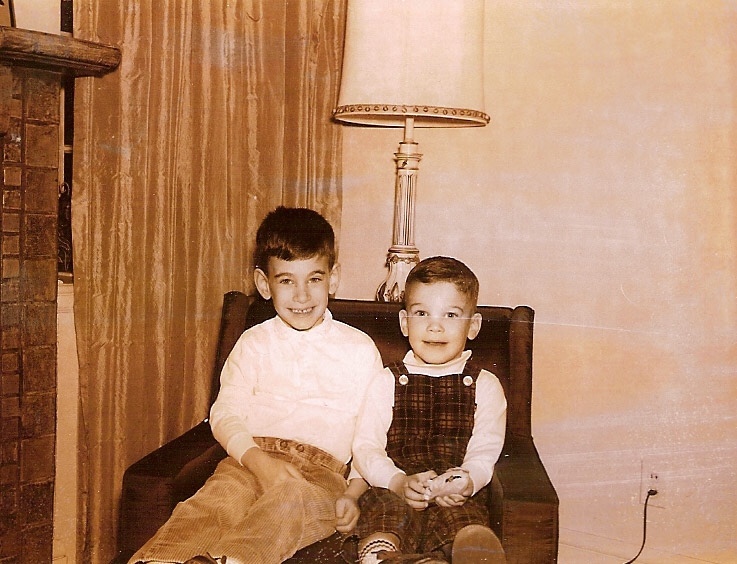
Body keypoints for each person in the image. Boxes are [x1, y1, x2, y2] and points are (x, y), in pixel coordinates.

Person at [130, 206, 383, 564]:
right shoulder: (253, 342)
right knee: (215, 502)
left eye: (314, 279)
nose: (302, 296)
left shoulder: (359, 349)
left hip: (322, 477)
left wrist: (353, 493)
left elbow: (371, 436)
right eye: (286, 281)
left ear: (334, 278)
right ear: (264, 284)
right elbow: (224, 412)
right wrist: (258, 462)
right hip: (250, 459)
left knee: (288, 503)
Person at [351, 256, 507, 564]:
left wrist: (468, 480)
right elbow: (366, 447)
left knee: (464, 522)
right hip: (395, 485)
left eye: (451, 314)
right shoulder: (386, 381)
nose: (435, 326)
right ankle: (380, 556)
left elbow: (485, 450)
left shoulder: (485, 385)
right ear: (405, 322)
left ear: (473, 326)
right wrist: (396, 481)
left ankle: (466, 554)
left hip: (453, 491)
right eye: (422, 313)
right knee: (386, 514)